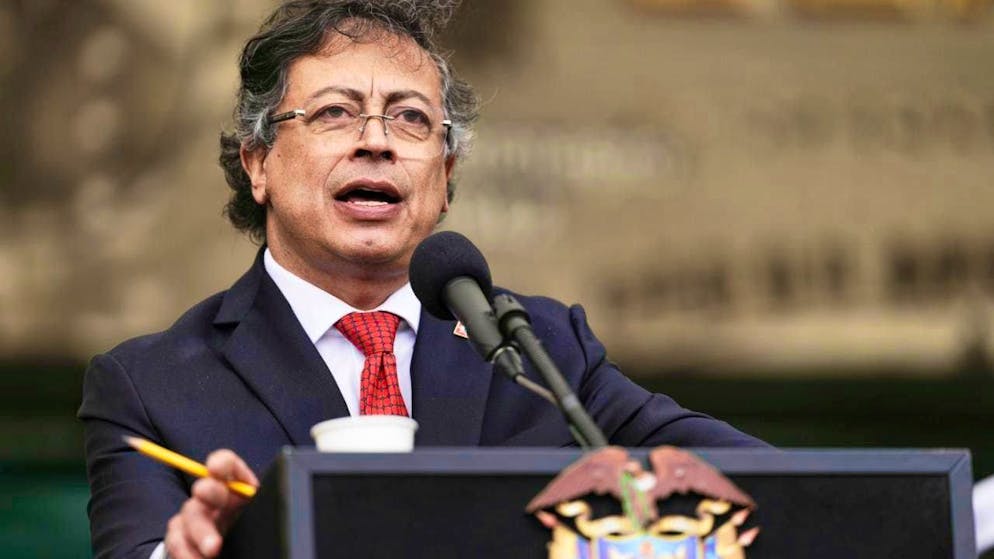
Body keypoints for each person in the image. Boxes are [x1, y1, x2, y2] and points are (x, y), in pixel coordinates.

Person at [77, 1, 768, 558]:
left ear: (445, 179)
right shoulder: (150, 384)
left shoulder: (543, 348)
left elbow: (773, 483)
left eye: (411, 118)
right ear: (258, 163)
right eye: (334, 113)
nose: (375, 140)